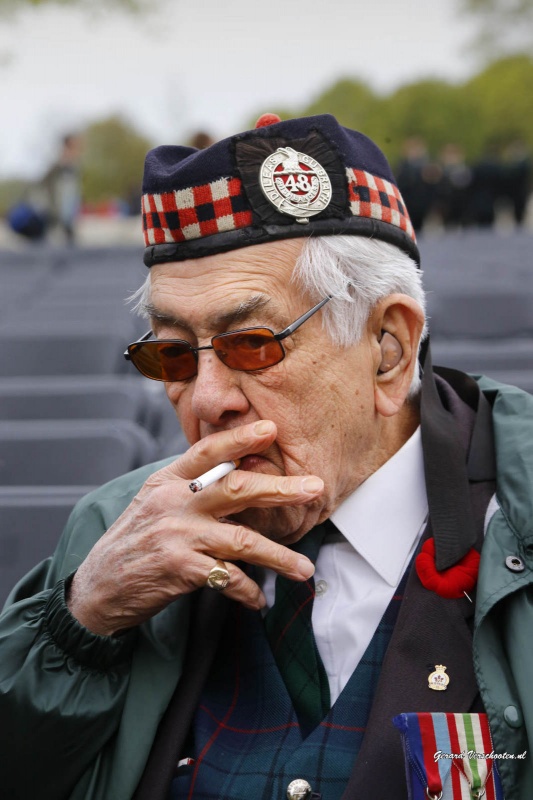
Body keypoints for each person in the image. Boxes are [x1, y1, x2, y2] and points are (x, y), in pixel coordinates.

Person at [0, 113, 531, 800]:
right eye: (169, 353)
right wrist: (82, 623)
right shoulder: (116, 530)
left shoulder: (513, 516)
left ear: (388, 351)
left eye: (252, 343)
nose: (207, 399)